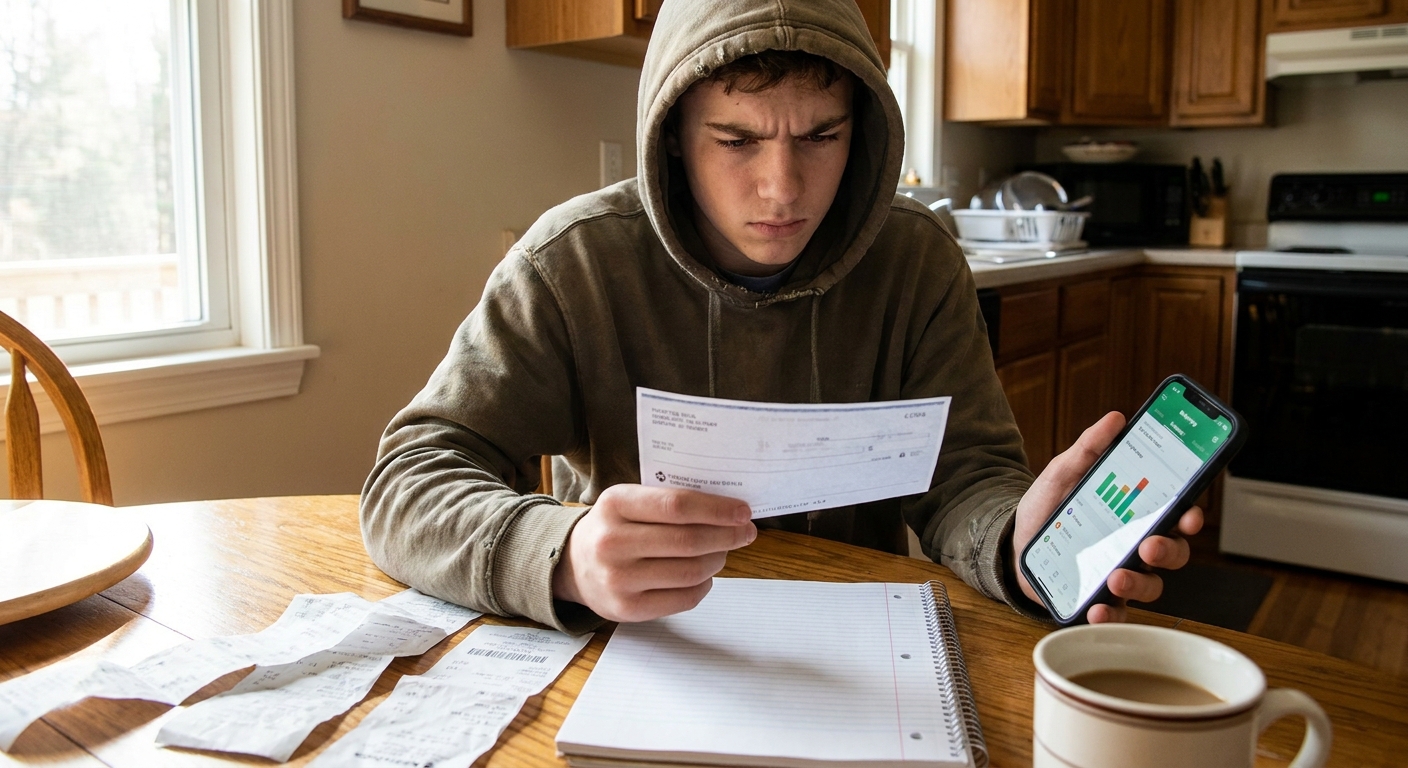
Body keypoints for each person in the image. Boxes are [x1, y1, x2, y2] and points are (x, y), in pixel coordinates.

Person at [361, 0, 1201, 633]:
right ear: (673, 137)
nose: (783, 189)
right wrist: (562, 554)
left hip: (861, 655)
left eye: (822, 137)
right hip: (635, 654)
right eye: (736, 141)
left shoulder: (916, 262)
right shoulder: (572, 262)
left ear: (862, 131)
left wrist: (1021, 538)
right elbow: (407, 483)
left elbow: (967, 483)